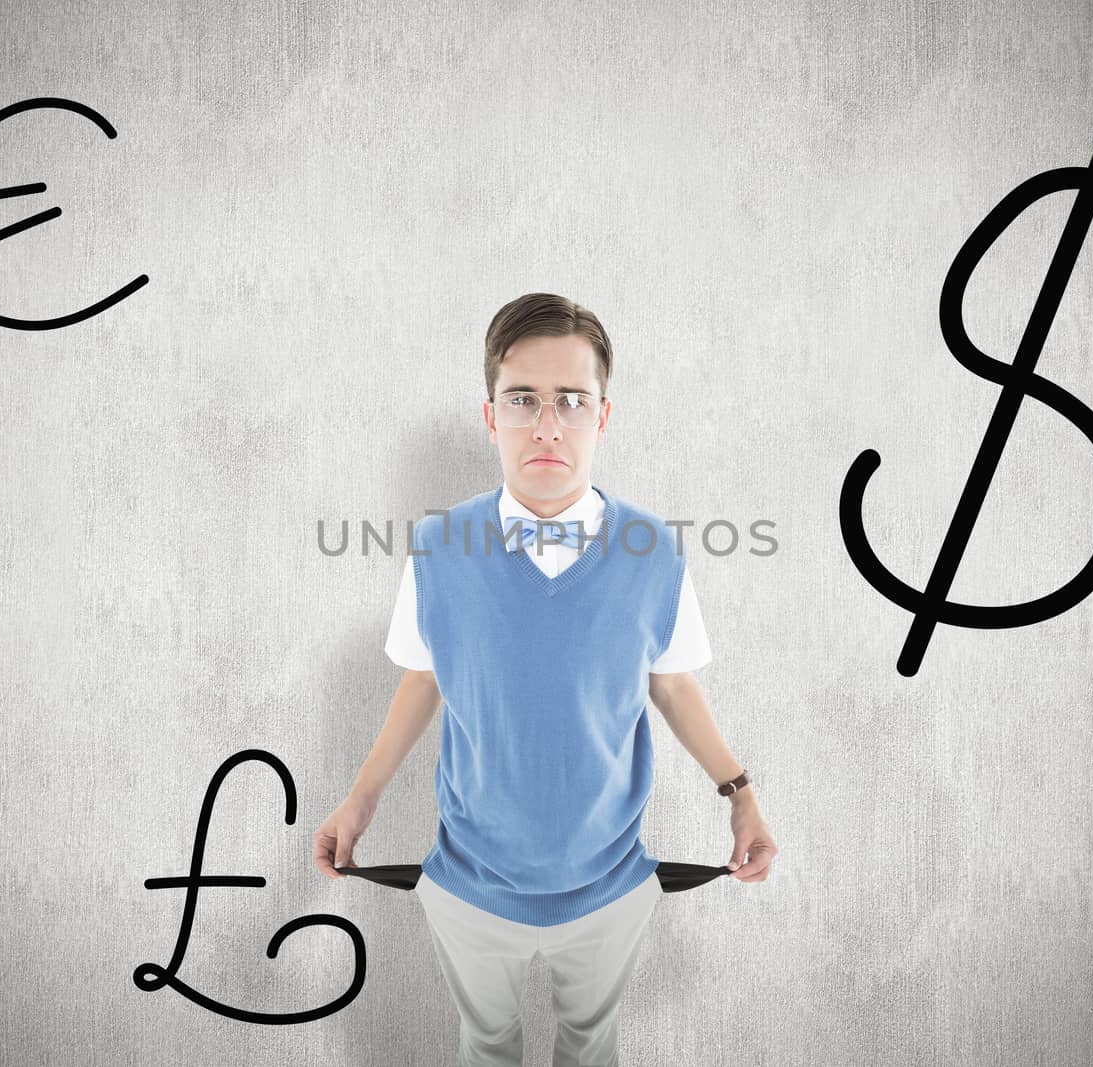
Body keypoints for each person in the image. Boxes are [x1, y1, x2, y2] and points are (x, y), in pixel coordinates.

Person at [314, 292, 777, 1066]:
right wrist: (358, 801)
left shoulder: (654, 550)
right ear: (491, 416)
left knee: (589, 1048)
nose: (548, 424)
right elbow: (425, 677)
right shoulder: (435, 547)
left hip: (610, 879)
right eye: (523, 399)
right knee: (487, 1043)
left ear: (603, 415)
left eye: (572, 400)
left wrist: (742, 796)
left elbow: (673, 684)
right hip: (468, 878)